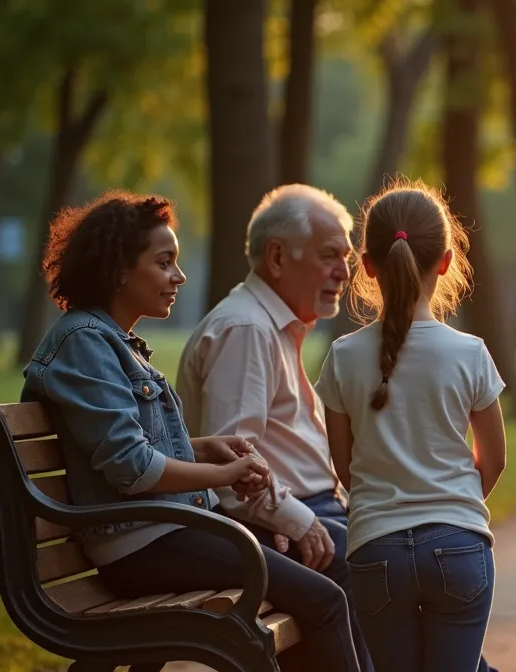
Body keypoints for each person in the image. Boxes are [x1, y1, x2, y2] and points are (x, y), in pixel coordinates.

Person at [21, 191, 363, 671]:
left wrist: (208, 450)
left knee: (326, 584)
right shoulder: (85, 343)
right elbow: (131, 468)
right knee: (325, 599)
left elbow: (136, 447)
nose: (178, 276)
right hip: (145, 545)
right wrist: (221, 476)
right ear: (119, 269)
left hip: (164, 534)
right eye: (164, 263)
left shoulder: (113, 343)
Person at [176, 184, 374, 670]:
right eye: (330, 257)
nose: (343, 274)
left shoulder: (272, 325)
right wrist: (290, 519)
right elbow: (234, 476)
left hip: (306, 513)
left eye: (346, 259)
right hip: (276, 524)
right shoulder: (246, 330)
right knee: (372, 560)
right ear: (278, 257)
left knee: (405, 547)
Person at [314, 182, 506, 672]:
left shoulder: (343, 358)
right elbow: (495, 458)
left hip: (376, 551)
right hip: (458, 543)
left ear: (368, 264)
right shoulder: (470, 354)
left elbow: (345, 467)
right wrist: (453, 501)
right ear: (444, 262)